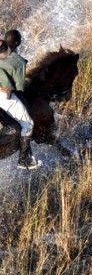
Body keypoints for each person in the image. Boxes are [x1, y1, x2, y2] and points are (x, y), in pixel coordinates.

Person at [0, 29, 39, 170]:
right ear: (18, 42)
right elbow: (20, 86)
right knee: (28, 123)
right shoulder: (18, 61)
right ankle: (24, 160)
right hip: (2, 95)